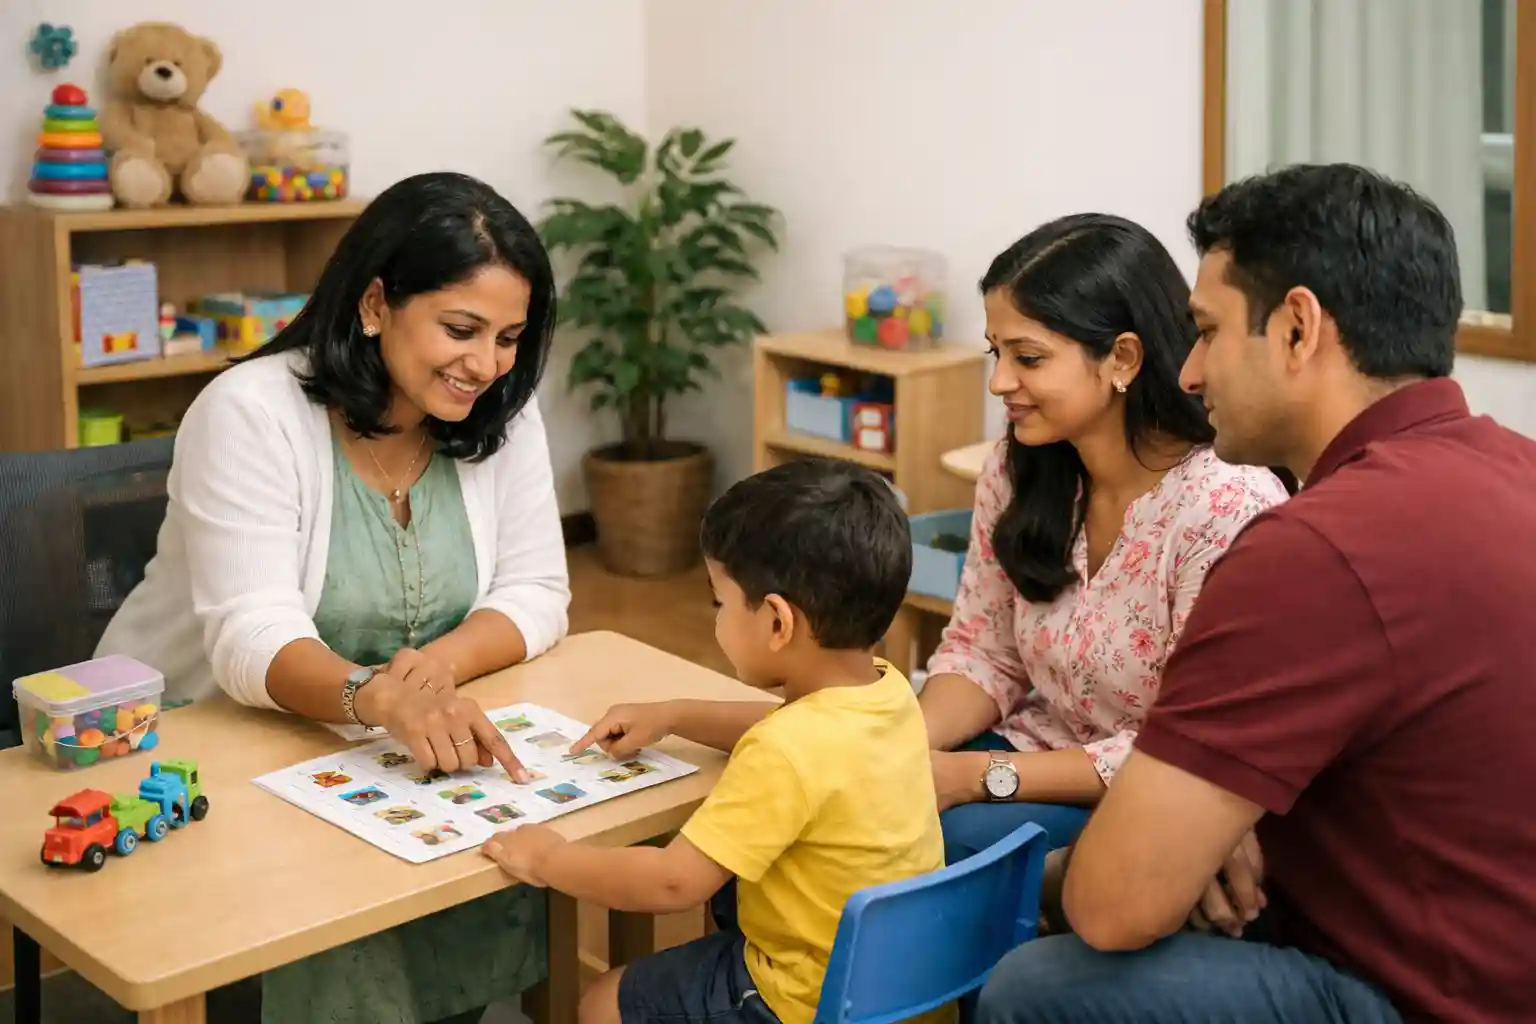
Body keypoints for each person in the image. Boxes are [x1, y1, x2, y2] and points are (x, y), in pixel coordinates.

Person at [978, 163, 1536, 1023]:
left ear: (1297, 329)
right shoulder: (1513, 465)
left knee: (1039, 985)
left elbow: (1113, 904)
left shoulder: (1311, 545)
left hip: (1423, 990)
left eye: (1207, 331)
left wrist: (1060, 868)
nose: (1191, 370)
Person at [95, 171, 571, 1024]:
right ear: (377, 303)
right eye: (461, 330)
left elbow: (538, 591)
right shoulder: (250, 413)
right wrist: (373, 695)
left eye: (508, 337)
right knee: (337, 920)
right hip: (207, 738)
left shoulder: (501, 409)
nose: (486, 365)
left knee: (492, 855)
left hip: (378, 743)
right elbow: (250, 636)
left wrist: (432, 671)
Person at [480, 457, 946, 1024]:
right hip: (893, 984)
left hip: (801, 1000)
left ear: (778, 623)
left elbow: (674, 881)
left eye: (719, 602)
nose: (716, 617)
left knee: (603, 1003)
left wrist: (551, 858)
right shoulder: (888, 692)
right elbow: (795, 730)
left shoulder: (785, 751)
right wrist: (676, 714)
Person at [922, 214, 1289, 863]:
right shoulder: (1017, 470)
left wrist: (973, 778)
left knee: (933, 852)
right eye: (995, 353)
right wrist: (903, 750)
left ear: (1122, 357)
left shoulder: (1224, 507)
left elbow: (1186, 746)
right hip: (1023, 751)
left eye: (1027, 357)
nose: (1000, 382)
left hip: (1152, 796)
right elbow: (984, 651)